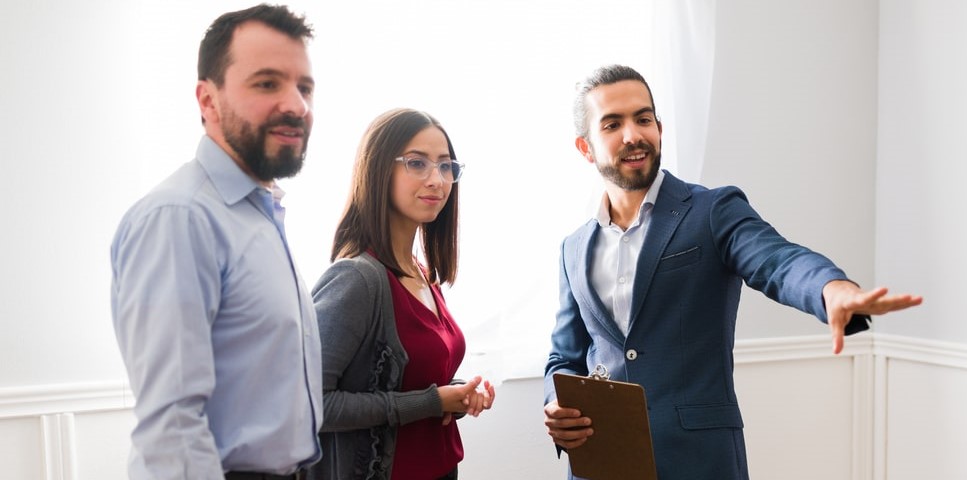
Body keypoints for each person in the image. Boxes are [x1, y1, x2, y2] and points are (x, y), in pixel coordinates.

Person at [542, 64, 924, 479]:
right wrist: (556, 402)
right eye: (613, 124)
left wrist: (832, 290)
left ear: (659, 128)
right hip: (603, 463)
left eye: (643, 118)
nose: (633, 134)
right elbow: (564, 356)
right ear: (585, 147)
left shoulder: (712, 211)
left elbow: (777, 260)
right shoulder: (573, 249)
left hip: (699, 461)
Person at [110, 4, 321, 480]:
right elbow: (173, 432)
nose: (296, 104)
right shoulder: (180, 218)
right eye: (267, 83)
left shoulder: (260, 215)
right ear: (207, 100)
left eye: (304, 87)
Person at [309, 108, 496, 480]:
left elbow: (408, 382)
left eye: (446, 166)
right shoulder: (356, 279)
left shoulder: (421, 272)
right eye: (417, 163)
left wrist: (457, 395)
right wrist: (430, 402)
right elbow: (312, 405)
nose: (437, 180)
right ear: (378, 170)